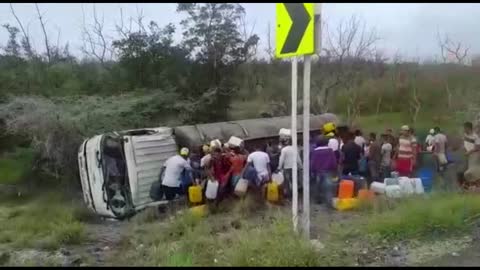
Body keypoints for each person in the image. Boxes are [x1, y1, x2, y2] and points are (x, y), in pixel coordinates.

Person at [310, 136, 337, 208]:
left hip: (318, 171)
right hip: (328, 171)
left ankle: (318, 200)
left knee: (317, 186)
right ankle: (329, 203)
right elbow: (334, 162)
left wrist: (312, 170)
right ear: (326, 143)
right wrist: (334, 169)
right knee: (328, 187)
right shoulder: (330, 151)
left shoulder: (315, 151)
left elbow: (313, 162)